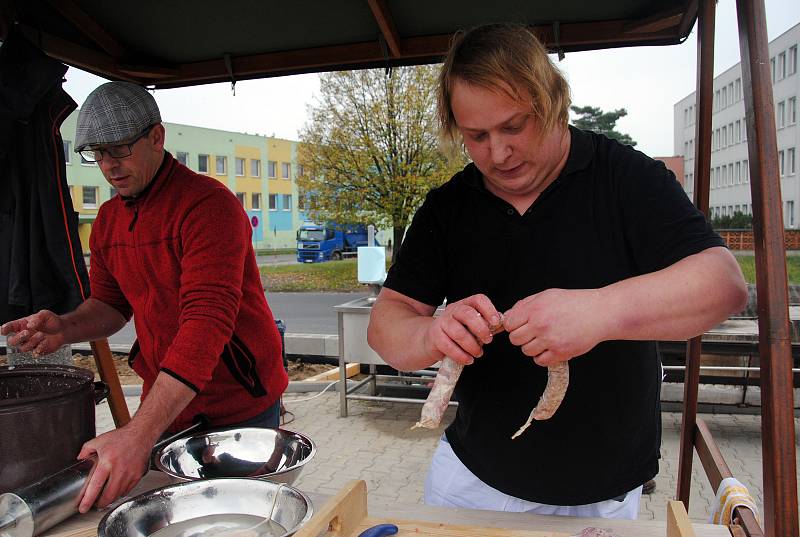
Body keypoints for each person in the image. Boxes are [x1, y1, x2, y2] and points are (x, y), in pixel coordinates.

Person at [367, 23, 747, 520]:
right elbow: (385, 326)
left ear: (553, 103)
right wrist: (433, 332)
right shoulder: (448, 208)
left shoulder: (626, 179)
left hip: (603, 494)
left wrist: (599, 312)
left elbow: (723, 285)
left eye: (513, 126)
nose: (497, 153)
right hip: (472, 480)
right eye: (475, 136)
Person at [1, 82, 288, 512]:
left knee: (239, 518)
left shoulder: (208, 206)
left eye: (119, 149)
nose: (109, 166)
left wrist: (139, 432)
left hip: (240, 406)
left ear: (157, 136)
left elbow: (206, 322)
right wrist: (66, 327)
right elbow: (110, 306)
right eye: (96, 153)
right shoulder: (109, 220)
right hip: (170, 407)